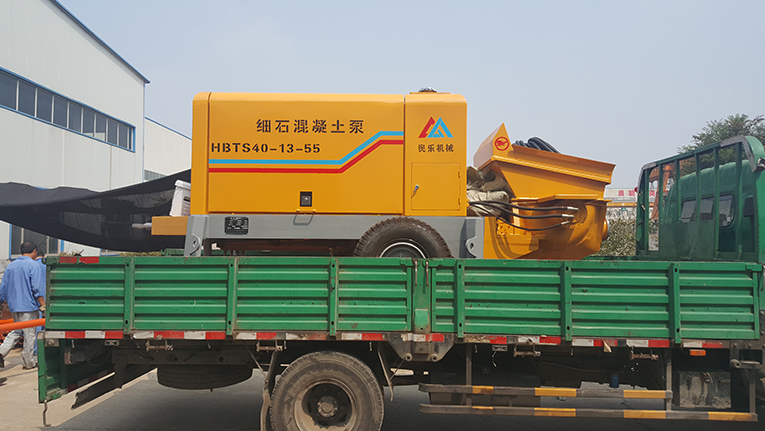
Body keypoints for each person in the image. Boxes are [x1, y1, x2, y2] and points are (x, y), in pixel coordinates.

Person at [0, 242, 46, 369]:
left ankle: (1, 352)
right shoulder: (33, 265)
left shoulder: (11, 266)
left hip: (14, 306)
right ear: (34, 251)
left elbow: (3, 287)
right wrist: (43, 305)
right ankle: (29, 362)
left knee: (17, 331)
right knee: (29, 334)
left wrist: (1, 301)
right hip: (28, 306)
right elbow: (36, 288)